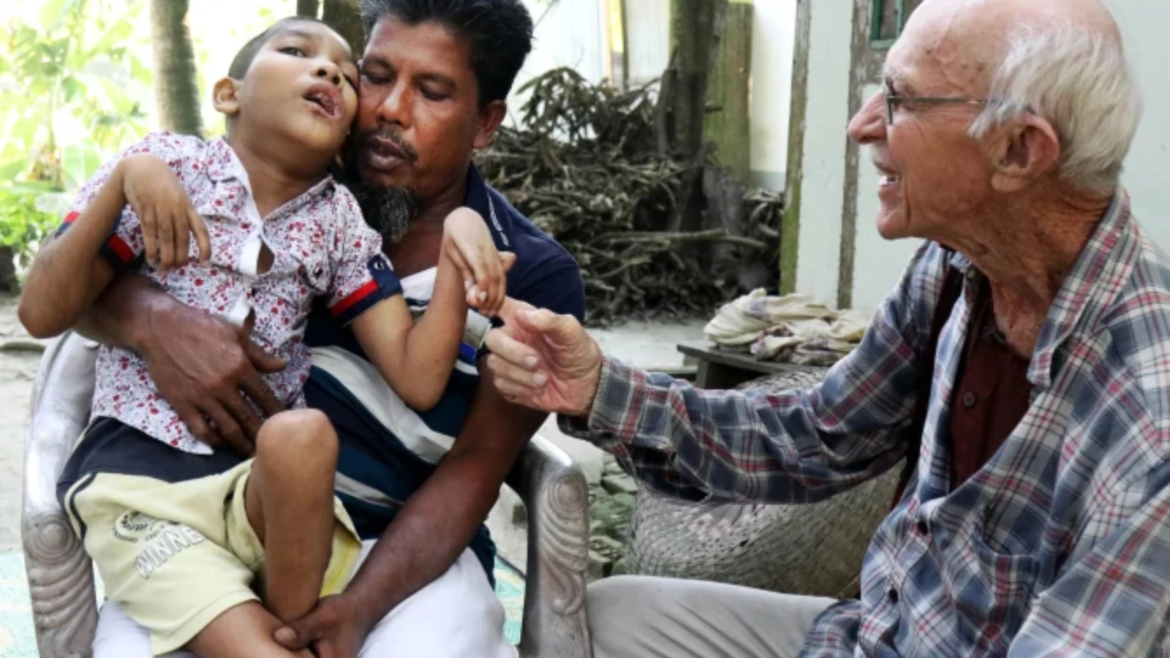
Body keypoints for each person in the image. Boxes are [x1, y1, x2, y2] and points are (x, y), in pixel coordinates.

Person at [485, 0, 1170, 656]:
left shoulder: (1150, 408)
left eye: (900, 100)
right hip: (876, 635)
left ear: (1019, 150)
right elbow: (814, 437)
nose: (863, 123)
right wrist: (598, 388)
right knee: (610, 620)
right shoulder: (953, 271)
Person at [57, 1, 585, 657]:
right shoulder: (286, 180)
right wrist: (157, 321)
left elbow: (477, 464)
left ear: (485, 122)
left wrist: (358, 610)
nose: (390, 108)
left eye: (432, 91)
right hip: (216, 513)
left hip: (399, 561)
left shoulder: (527, 275)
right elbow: (64, 294)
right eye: (377, 75)